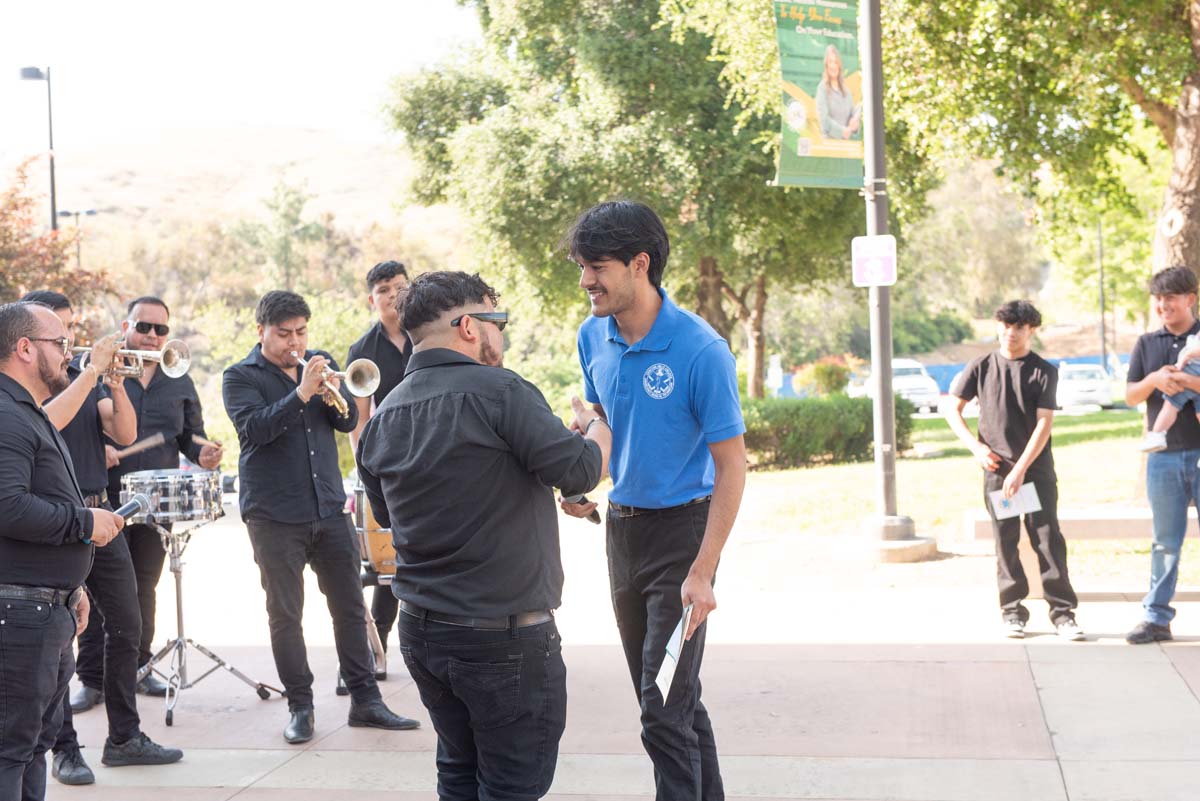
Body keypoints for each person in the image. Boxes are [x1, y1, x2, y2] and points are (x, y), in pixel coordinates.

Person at [357, 271, 610, 800]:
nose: (502, 334)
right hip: (502, 638)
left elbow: (393, 512)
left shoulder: (384, 416)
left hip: (423, 632)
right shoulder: (503, 391)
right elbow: (584, 469)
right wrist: (596, 425)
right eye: (499, 321)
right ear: (470, 327)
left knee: (458, 772)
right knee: (512, 786)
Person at [562, 201, 747, 801]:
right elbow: (605, 423)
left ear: (639, 264)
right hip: (623, 534)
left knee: (661, 709)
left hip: (683, 539)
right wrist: (584, 479)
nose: (585, 281)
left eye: (596, 267)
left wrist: (703, 570)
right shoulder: (592, 336)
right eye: (582, 267)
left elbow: (732, 466)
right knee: (674, 700)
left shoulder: (701, 350)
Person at [222, 290, 419, 744]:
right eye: (284, 334)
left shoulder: (320, 362)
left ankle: (366, 701)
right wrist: (302, 393)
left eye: (301, 332)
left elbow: (348, 423)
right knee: (286, 614)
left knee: (349, 608)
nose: (295, 342)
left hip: (328, 507)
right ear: (261, 332)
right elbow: (254, 431)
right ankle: (301, 707)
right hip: (274, 514)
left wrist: (331, 392)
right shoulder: (239, 376)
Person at [20, 292, 182, 786]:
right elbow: (50, 421)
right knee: (62, 639)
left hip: (100, 511)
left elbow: (125, 433)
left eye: (70, 330)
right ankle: (65, 749)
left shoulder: (84, 377)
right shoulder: (30, 388)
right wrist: (91, 372)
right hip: (58, 521)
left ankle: (124, 737)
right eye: (59, 332)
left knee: (128, 623)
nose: (68, 341)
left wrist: (114, 383)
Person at [0, 300, 126, 801]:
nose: (69, 354)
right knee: (11, 750)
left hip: (44, 608)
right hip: (19, 615)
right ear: (25, 348)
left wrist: (71, 589)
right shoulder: (6, 415)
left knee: (33, 746)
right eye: (61, 344)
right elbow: (7, 507)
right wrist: (84, 523)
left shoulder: (25, 413)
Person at [95, 296, 222, 697]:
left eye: (160, 329)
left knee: (143, 587)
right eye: (143, 326)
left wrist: (203, 453)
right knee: (98, 588)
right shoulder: (102, 371)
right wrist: (99, 449)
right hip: (106, 500)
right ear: (126, 327)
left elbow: (189, 437)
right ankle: (92, 678)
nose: (152, 335)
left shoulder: (178, 377)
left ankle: (140, 667)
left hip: (155, 505)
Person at [945, 300, 1085, 641]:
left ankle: (1063, 614)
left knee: (1047, 540)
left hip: (1034, 472)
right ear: (998, 327)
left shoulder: (1044, 371)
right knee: (1005, 541)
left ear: (1031, 330)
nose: (1011, 333)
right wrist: (976, 448)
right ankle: (1012, 612)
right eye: (1006, 326)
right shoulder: (981, 366)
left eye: (1019, 327)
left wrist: (1021, 469)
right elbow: (952, 409)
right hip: (997, 470)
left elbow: (1044, 424)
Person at [1125, 266, 1200, 644]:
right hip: (1164, 458)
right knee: (1165, 542)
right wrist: (1154, 379)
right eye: (1157, 298)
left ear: (1191, 298)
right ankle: (1156, 618)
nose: (1162, 304)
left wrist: (1188, 381)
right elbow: (1130, 396)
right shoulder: (1146, 343)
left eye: (1170, 297)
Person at [347, 260, 413, 658]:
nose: (392, 296)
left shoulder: (429, 331)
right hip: (391, 464)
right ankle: (380, 643)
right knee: (390, 560)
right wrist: (366, 470)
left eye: (399, 287)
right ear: (371, 300)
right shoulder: (362, 351)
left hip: (438, 456)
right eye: (383, 290)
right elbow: (358, 420)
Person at [1140, 333, 1200, 452]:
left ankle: (1157, 434)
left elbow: (1191, 353)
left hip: (1191, 370)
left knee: (1170, 405)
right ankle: (1157, 436)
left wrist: (1183, 361)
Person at [814, 44, 861, 140]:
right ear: (826, 65)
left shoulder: (846, 91)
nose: (833, 66)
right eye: (830, 62)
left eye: (836, 62)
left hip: (846, 146)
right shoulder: (822, 88)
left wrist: (855, 125)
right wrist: (841, 131)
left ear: (839, 66)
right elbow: (823, 120)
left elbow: (852, 117)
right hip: (829, 144)